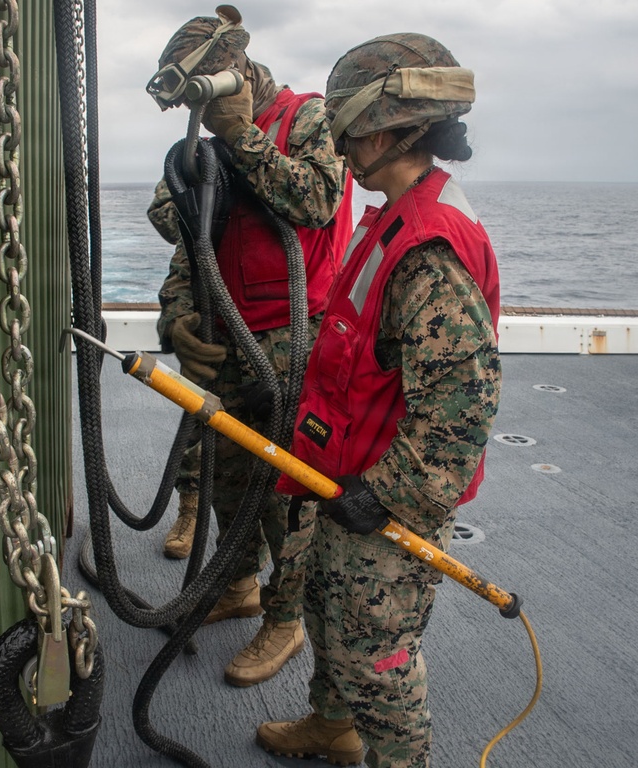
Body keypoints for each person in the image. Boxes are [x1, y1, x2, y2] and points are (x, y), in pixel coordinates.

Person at [256, 33, 501, 766]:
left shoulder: (428, 243)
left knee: (376, 655)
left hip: (384, 497)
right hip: (344, 477)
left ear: (397, 129)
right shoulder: (392, 214)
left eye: (351, 129)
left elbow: (461, 411)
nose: (339, 144)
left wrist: (385, 497)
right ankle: (332, 726)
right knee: (329, 615)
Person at [146, 5, 354, 686]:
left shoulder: (305, 118)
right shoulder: (203, 138)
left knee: (289, 494)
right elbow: (189, 239)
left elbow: (318, 202)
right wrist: (176, 321)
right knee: (229, 473)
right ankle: (236, 586)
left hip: (298, 338)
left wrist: (245, 138)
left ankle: (284, 618)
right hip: (228, 333)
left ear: (236, 67)